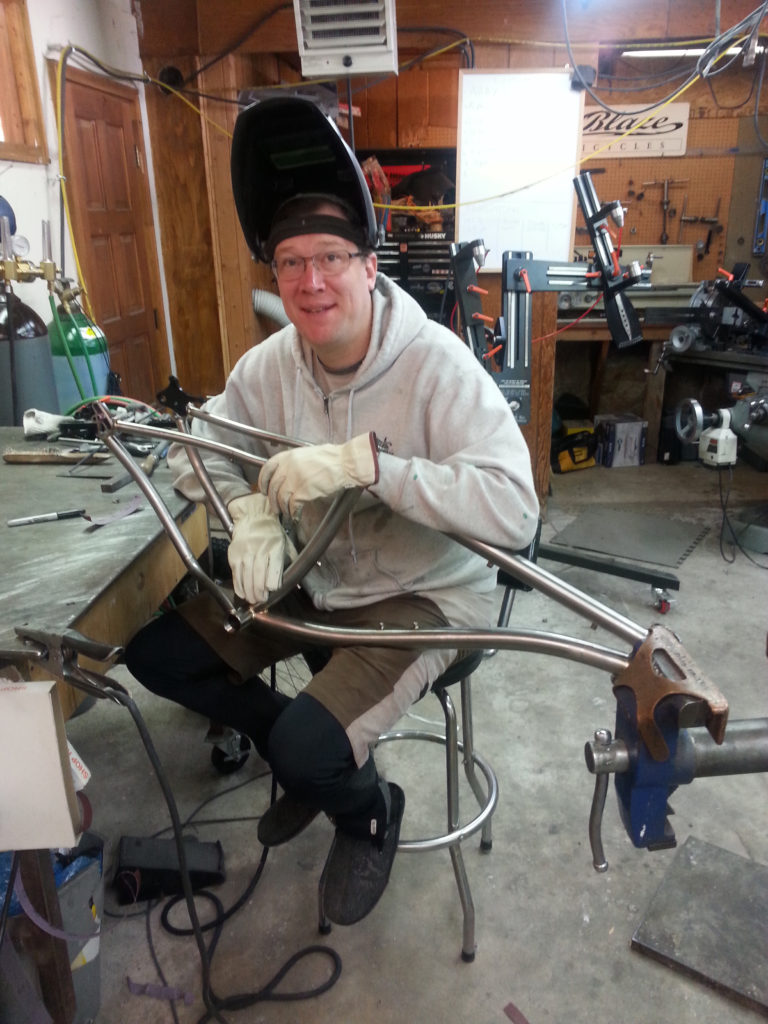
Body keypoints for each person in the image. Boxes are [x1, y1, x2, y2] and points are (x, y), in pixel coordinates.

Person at [125, 100, 539, 926]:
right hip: (314, 585)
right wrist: (247, 510)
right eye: (290, 263)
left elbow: (515, 511)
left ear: (369, 264)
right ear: (274, 274)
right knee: (160, 656)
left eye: (330, 258)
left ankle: (367, 808)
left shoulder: (435, 365)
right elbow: (192, 449)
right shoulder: (269, 364)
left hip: (417, 599)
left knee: (306, 749)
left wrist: (372, 468)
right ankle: (312, 757)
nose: (310, 283)